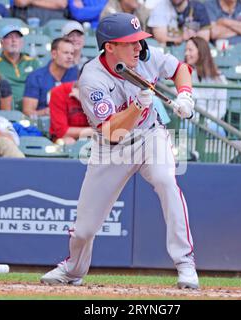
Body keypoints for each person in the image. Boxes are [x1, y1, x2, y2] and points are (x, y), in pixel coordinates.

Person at [41, 13, 199, 289]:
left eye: (139, 40)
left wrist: (185, 93)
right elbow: (112, 131)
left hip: (151, 135)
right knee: (85, 228)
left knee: (166, 182)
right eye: (131, 42)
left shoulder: (146, 55)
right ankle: (73, 269)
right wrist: (137, 106)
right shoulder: (92, 77)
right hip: (111, 147)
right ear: (110, 46)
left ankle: (186, 264)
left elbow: (179, 68)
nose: (139, 47)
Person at [22, 38, 78, 117]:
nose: (70, 57)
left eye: (72, 53)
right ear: (54, 54)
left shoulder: (76, 75)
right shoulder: (36, 77)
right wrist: (45, 112)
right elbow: (28, 111)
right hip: (43, 125)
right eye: (66, 53)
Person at [185, 36, 227, 136]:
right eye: (186, 50)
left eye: (190, 50)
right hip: (189, 121)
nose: (186, 54)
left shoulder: (219, 79)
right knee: (184, 130)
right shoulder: (185, 75)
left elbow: (221, 109)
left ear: (201, 52)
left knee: (219, 131)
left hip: (211, 122)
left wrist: (205, 121)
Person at [0, 25, 40, 111]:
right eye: (9, 37)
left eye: (17, 37)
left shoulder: (33, 62)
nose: (14, 40)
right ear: (1, 43)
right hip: (5, 108)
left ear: (22, 43)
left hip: (32, 107)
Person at [147, 0, 211, 46]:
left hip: (193, 52)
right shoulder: (160, 6)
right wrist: (182, 38)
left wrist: (192, 39)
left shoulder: (198, 7)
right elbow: (160, 37)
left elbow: (204, 39)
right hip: (169, 51)